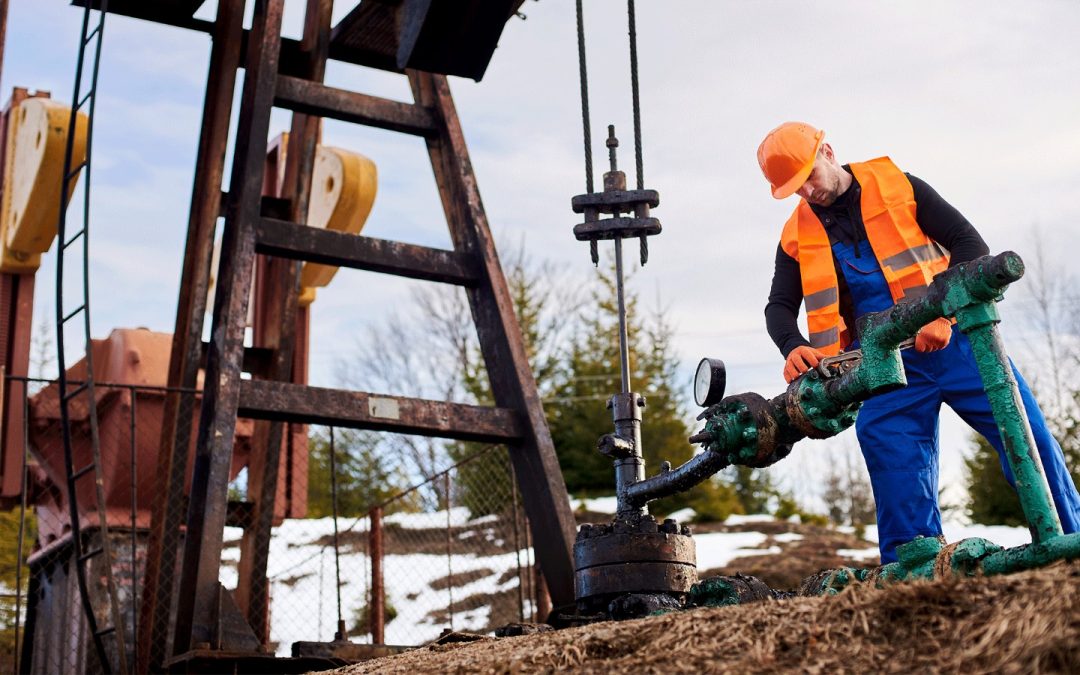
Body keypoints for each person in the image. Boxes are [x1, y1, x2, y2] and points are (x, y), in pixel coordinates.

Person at [756, 121, 1080, 563]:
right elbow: (778, 306)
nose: (808, 192)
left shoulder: (900, 186)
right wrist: (792, 345)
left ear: (827, 152)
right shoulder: (795, 235)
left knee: (1028, 438)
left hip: (961, 346)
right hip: (883, 368)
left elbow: (970, 244)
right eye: (795, 188)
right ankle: (914, 572)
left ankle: (1069, 546)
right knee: (893, 460)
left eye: (809, 176)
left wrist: (942, 312)